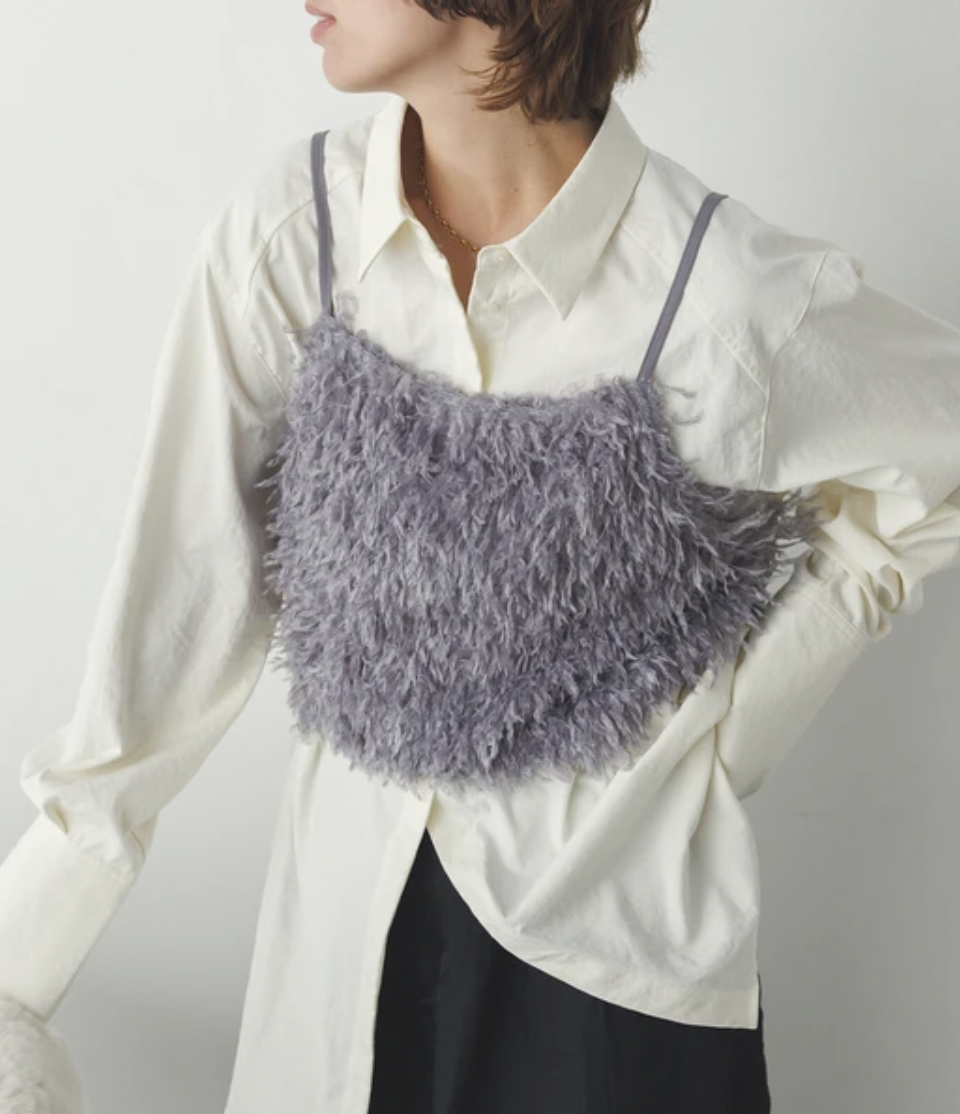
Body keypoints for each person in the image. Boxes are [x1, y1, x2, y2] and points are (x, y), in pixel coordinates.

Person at [2, 2, 960, 1112]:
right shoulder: (297, 238)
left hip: (612, 992)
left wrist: (733, 731)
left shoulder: (719, 299)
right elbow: (176, 614)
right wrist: (19, 970)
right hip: (339, 974)